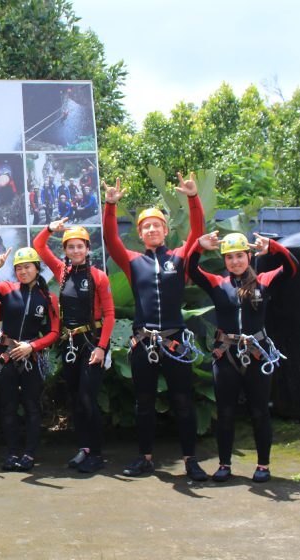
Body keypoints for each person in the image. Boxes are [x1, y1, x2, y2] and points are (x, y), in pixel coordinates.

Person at [103, 172, 209, 480]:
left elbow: (198, 232)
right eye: (146, 226)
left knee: (183, 402)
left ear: (165, 231)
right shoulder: (133, 261)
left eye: (157, 225)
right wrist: (111, 205)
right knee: (144, 404)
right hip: (143, 343)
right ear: (140, 233)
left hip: (175, 343)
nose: (151, 229)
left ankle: (191, 460)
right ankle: (145, 458)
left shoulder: (179, 257)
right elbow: (111, 240)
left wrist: (192, 197)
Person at [189, 231, 297, 483]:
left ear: (248, 256)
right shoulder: (217, 283)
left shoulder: (263, 281)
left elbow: (292, 266)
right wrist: (198, 247)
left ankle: (263, 465)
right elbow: (191, 269)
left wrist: (273, 247)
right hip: (226, 355)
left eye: (239, 256)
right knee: (225, 413)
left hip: (256, 355)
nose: (235, 261)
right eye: (229, 257)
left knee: (259, 412)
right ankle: (224, 464)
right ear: (224, 261)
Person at [33, 220, 114, 473]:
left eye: (80, 246)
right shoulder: (62, 272)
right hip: (70, 343)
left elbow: (110, 315)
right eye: (71, 247)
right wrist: (50, 229)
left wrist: (101, 348)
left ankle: (97, 454)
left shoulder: (98, 276)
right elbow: (39, 245)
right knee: (76, 399)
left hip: (92, 342)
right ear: (66, 250)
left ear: (88, 249)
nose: (76, 251)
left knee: (88, 398)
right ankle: (84, 448)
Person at [0, 247, 59, 472]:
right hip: (7, 356)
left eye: (27, 267)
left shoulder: (48, 298)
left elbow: (54, 332)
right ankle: (12, 453)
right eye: (19, 268)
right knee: (8, 407)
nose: (23, 272)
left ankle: (29, 454)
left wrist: (32, 346)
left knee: (32, 407)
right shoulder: (6, 289)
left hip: (31, 356)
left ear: (36, 268)